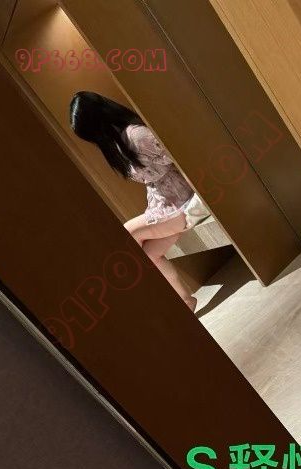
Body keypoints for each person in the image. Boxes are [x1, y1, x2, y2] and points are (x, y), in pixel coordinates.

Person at [69, 91, 209, 311]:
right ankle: (186, 301)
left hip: (183, 200)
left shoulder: (136, 135)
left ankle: (138, 301)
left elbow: (180, 157)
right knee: (150, 254)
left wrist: (205, 192)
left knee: (127, 232)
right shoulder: (120, 143)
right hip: (165, 203)